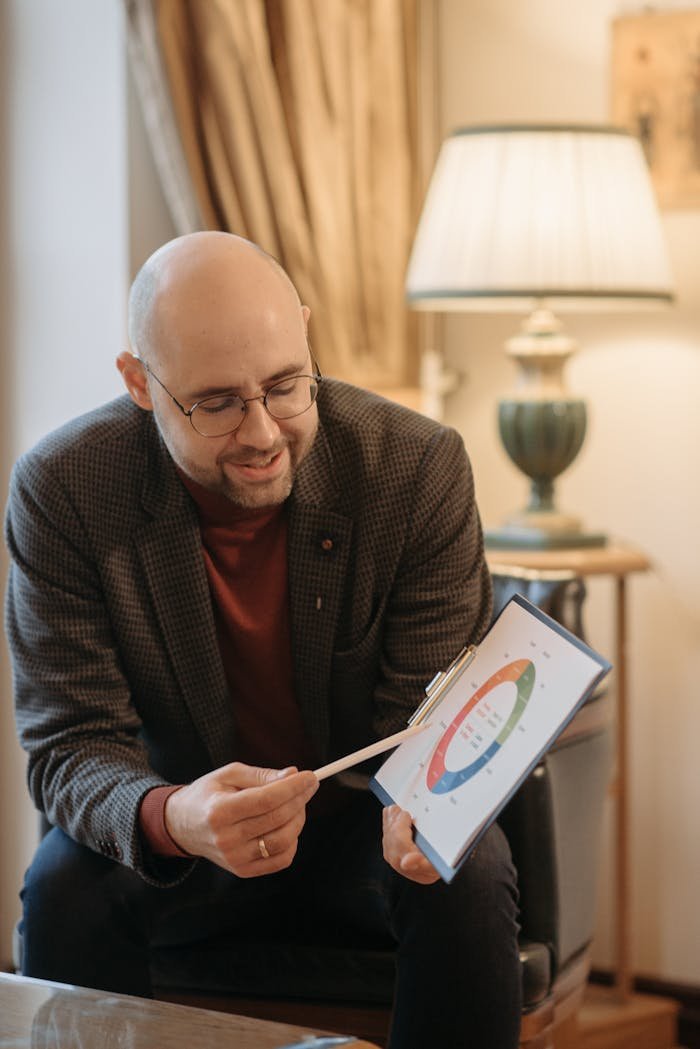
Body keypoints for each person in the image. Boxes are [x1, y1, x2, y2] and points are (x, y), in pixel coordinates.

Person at [5, 232, 521, 1048]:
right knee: (66, 881)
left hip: (361, 828)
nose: (263, 432)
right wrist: (173, 813)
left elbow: (430, 715)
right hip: (185, 822)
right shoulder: (65, 489)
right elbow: (68, 744)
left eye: (285, 386)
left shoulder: (415, 468)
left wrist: (426, 808)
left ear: (307, 336)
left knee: (471, 865)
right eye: (215, 403)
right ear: (141, 382)